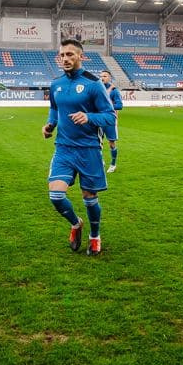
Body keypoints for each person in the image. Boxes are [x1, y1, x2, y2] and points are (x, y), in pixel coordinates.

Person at [44, 39, 117, 255]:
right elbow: (54, 109)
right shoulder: (56, 84)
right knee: (56, 196)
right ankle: (76, 224)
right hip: (64, 148)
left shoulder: (94, 83)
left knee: (89, 198)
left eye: (70, 54)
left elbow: (110, 116)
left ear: (81, 57)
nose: (65, 59)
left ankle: (95, 236)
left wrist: (88, 117)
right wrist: (50, 125)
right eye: (62, 55)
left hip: (88, 149)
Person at [99, 70, 124, 172]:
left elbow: (120, 105)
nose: (102, 78)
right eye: (101, 76)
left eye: (105, 76)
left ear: (109, 78)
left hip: (110, 120)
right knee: (97, 143)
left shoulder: (114, 91)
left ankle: (113, 164)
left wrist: (106, 106)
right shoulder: (98, 89)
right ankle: (101, 162)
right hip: (99, 119)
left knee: (111, 143)